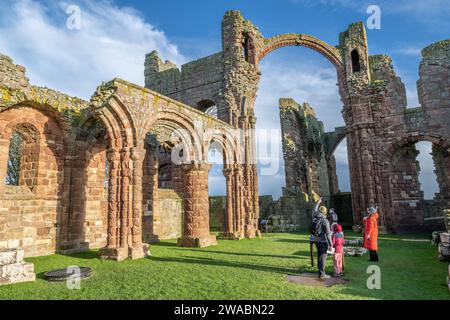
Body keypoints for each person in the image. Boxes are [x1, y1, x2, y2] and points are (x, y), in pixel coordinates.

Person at [311, 197, 333, 280]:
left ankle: (320, 271)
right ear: (325, 212)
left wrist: (318, 202)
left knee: (320, 255)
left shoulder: (314, 216)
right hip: (323, 241)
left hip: (316, 240)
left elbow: (314, 209)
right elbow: (328, 234)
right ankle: (322, 274)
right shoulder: (325, 221)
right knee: (323, 257)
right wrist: (331, 245)